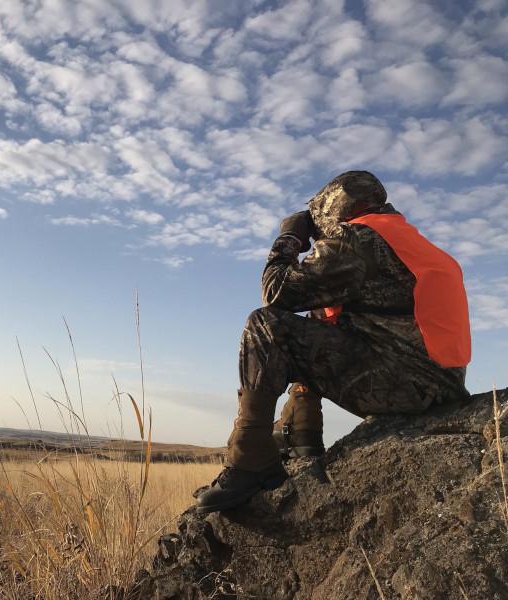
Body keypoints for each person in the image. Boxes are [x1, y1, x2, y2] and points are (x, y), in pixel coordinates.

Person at [196, 171, 471, 514]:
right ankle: (302, 436)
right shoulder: (410, 241)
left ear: (336, 206)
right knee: (317, 318)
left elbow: (275, 292)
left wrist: (290, 237)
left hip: (406, 387)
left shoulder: (358, 237)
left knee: (265, 326)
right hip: (444, 386)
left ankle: (250, 455)